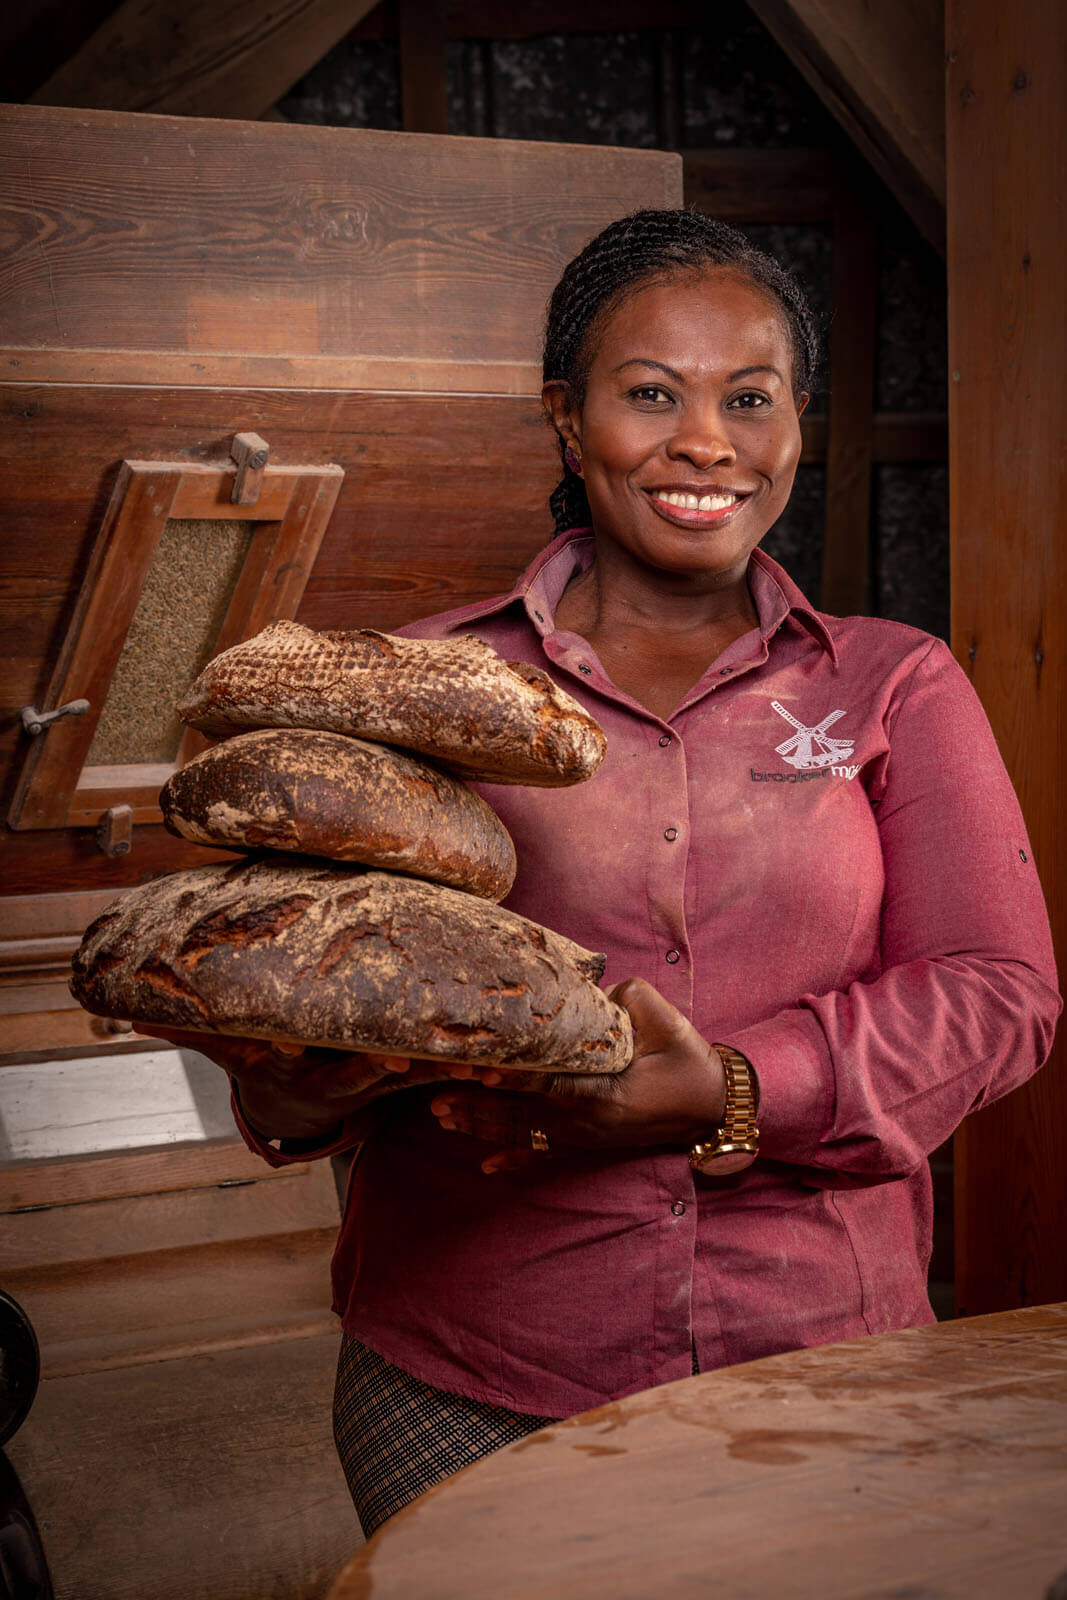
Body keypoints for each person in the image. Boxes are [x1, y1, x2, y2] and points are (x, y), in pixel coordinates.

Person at [148, 210, 1060, 1538]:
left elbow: (999, 990)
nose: (707, 443)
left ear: (798, 422)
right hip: (475, 1369)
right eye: (650, 395)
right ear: (567, 421)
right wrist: (286, 1071)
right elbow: (314, 1014)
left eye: (751, 398)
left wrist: (736, 1088)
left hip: (826, 1360)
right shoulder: (422, 686)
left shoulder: (892, 682)